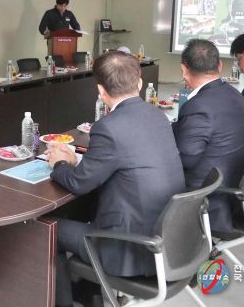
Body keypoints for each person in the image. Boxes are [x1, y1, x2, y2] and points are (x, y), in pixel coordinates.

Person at [46, 51, 185, 307]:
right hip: (167, 237)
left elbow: (79, 183)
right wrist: (79, 163)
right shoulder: (157, 115)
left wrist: (60, 163)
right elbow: (126, 162)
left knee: (48, 229)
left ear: (100, 91)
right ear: (139, 83)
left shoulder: (109, 127)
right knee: (83, 212)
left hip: (130, 248)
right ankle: (89, 296)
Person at [172, 39, 244, 233]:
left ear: (184, 69)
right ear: (219, 66)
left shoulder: (198, 106)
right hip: (234, 181)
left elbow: (185, 159)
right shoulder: (234, 93)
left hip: (208, 194)